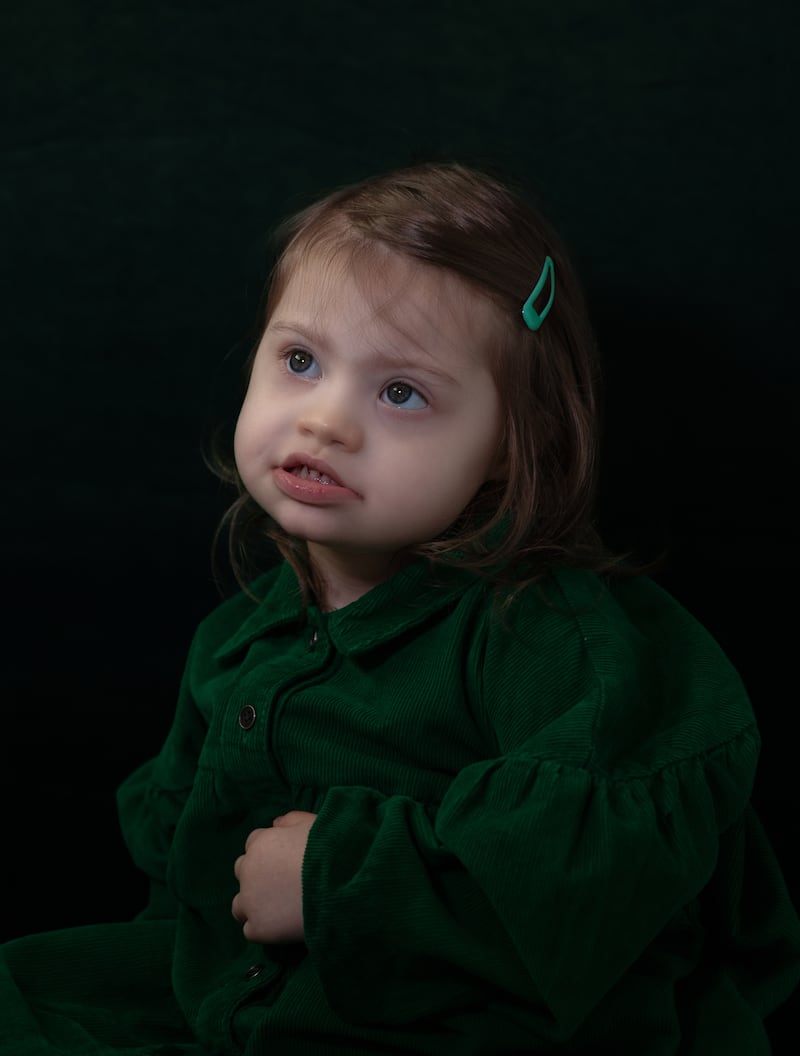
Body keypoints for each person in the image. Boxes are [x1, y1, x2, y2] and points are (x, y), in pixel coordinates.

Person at [2, 161, 798, 1055]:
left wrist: (335, 883)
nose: (325, 421)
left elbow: (587, 892)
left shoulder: (546, 642)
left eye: (401, 392)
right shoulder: (238, 640)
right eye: (300, 360)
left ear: (510, 445)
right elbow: (183, 893)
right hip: (257, 1005)